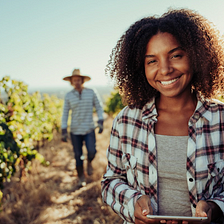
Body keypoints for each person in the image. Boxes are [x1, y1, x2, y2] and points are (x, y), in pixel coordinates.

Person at [101, 8, 224, 224]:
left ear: (196, 56)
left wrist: (215, 206)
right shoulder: (127, 120)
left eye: (176, 55)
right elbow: (111, 181)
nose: (165, 69)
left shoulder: (220, 119)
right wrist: (133, 203)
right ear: (141, 68)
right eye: (152, 61)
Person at [61, 68, 104, 187]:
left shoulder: (91, 92)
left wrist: (100, 120)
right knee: (78, 155)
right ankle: (81, 178)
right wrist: (64, 130)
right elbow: (65, 113)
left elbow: (99, 107)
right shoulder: (69, 96)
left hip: (89, 128)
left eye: (78, 80)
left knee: (91, 151)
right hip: (75, 131)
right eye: (74, 80)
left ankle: (89, 162)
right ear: (71, 81)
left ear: (82, 80)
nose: (77, 82)